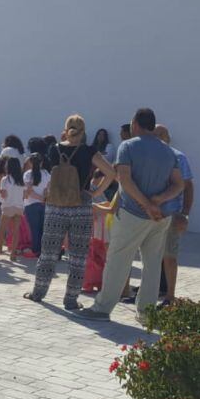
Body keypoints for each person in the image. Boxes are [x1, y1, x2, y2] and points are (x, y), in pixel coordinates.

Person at [74, 108, 184, 322]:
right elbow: (178, 184)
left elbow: (124, 179)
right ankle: (146, 313)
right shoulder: (169, 151)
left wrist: (145, 204)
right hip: (160, 217)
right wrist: (158, 201)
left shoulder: (128, 146)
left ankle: (102, 308)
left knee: (118, 260)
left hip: (133, 214)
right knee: (152, 264)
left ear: (135, 124)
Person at [25, 115, 116, 309]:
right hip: (81, 206)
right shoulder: (90, 151)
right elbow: (111, 173)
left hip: (56, 206)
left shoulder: (54, 149)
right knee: (78, 256)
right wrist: (95, 192)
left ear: (65, 130)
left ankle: (38, 293)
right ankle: (71, 300)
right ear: (84, 131)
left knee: (48, 252)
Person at [154, 125, 193, 305]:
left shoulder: (178, 157)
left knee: (169, 256)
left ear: (168, 137)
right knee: (151, 256)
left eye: (163, 134)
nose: (160, 137)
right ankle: (151, 290)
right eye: (156, 134)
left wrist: (184, 213)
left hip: (171, 213)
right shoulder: (148, 156)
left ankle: (170, 295)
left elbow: (188, 186)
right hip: (150, 213)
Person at [0, 156, 25, 262]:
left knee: (1, 231)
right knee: (16, 231)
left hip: (8, 206)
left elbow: (3, 195)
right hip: (19, 207)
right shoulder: (21, 180)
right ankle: (13, 254)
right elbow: (24, 195)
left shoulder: (5, 179)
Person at [22, 153, 50, 257]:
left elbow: (29, 191)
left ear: (30, 162)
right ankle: (43, 250)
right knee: (42, 228)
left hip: (30, 204)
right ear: (42, 162)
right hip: (44, 204)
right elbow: (47, 189)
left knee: (34, 229)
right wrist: (44, 199)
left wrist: (39, 198)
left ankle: (35, 249)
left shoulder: (28, 174)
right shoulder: (47, 173)